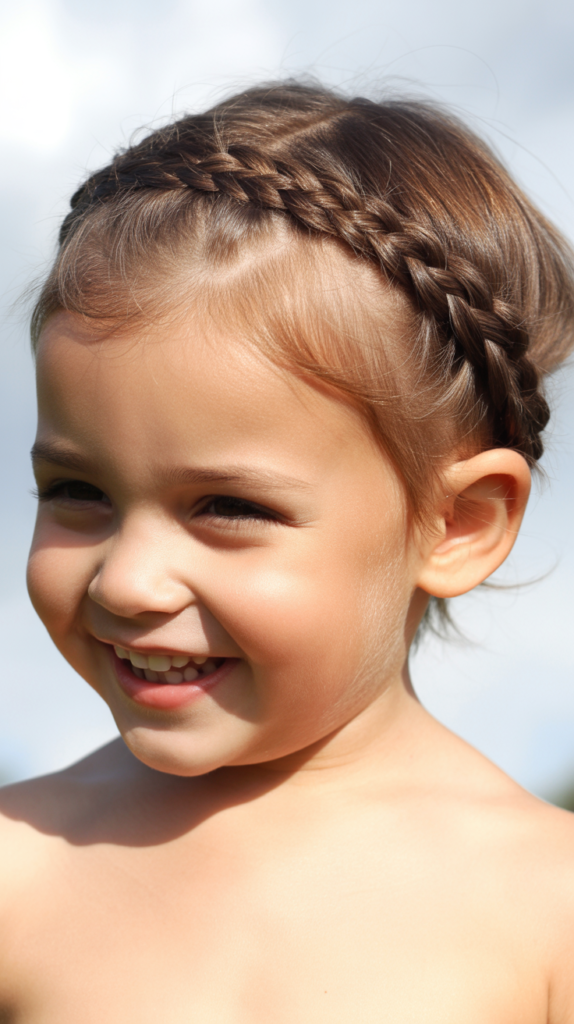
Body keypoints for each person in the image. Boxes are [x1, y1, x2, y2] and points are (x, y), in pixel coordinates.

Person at [1, 80, 573, 1022]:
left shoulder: (547, 912)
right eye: (78, 493)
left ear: (458, 525)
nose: (129, 581)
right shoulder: (19, 868)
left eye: (226, 506)